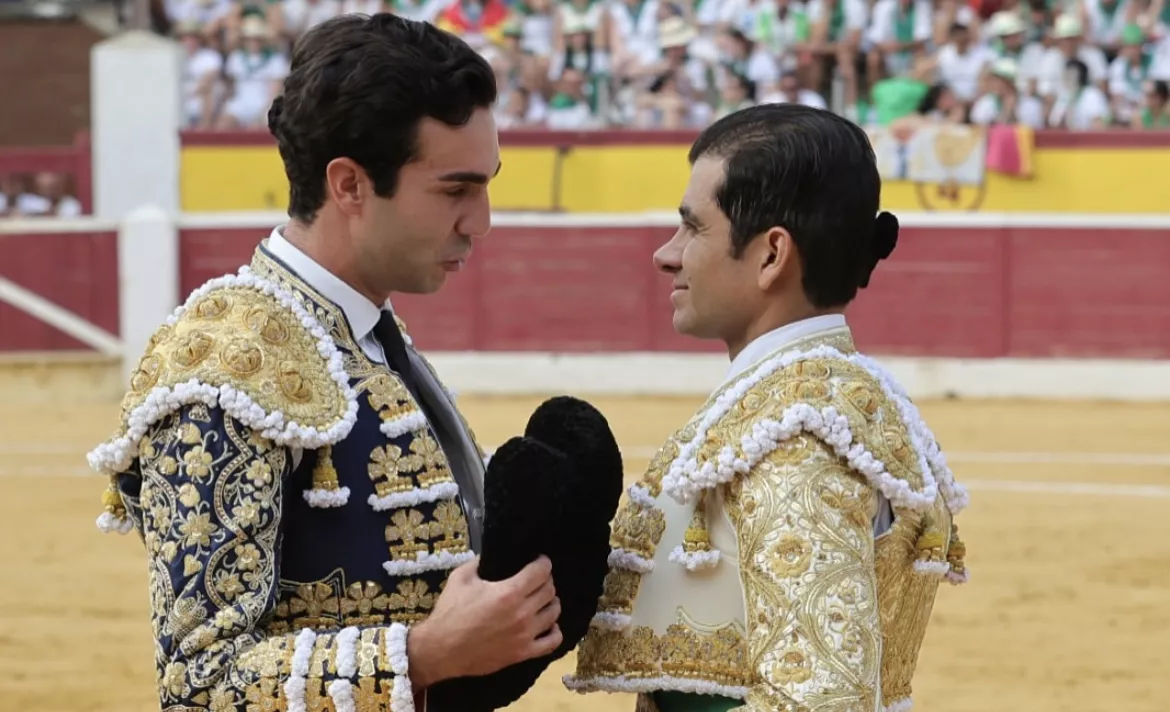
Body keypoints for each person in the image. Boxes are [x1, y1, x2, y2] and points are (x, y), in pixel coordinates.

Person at [87, 14, 566, 712]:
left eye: (485, 186)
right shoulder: (227, 367)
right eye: (454, 190)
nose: (481, 222)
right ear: (349, 185)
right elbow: (199, 684)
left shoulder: (364, 332)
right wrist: (424, 655)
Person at [564, 104, 970, 712]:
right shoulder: (813, 401)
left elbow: (820, 702)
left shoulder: (795, 437)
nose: (667, 254)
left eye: (693, 228)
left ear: (772, 254)